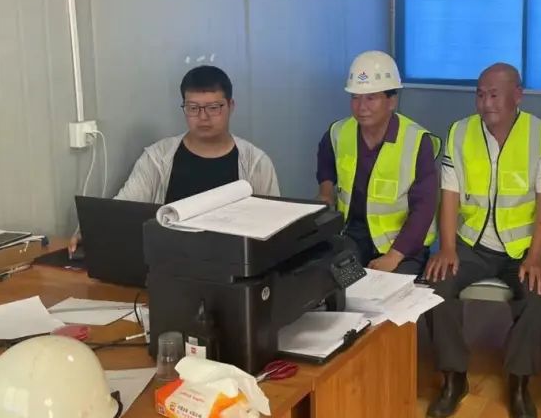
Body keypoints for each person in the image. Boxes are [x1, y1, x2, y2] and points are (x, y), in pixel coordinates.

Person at [423, 63, 541, 418]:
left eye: (494, 94)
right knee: (435, 285)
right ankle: (454, 378)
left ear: (517, 95)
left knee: (538, 296)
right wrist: (447, 247)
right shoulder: (460, 132)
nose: (485, 103)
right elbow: (449, 195)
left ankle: (519, 383)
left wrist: (537, 256)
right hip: (471, 243)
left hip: (523, 248)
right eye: (480, 94)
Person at [69, 66, 278, 255]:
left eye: (214, 107)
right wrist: (89, 232)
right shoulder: (157, 158)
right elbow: (122, 210)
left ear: (231, 106)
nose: (203, 117)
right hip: (168, 263)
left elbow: (275, 228)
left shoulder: (256, 163)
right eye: (193, 108)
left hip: (233, 265)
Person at [316, 51, 439, 274]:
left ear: (391, 101)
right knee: (338, 281)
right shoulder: (339, 132)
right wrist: (326, 192)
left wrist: (393, 256)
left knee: (391, 292)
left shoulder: (417, 142)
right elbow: (326, 161)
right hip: (353, 236)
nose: (361, 107)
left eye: (371, 98)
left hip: (403, 244)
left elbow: (424, 209)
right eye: (355, 97)